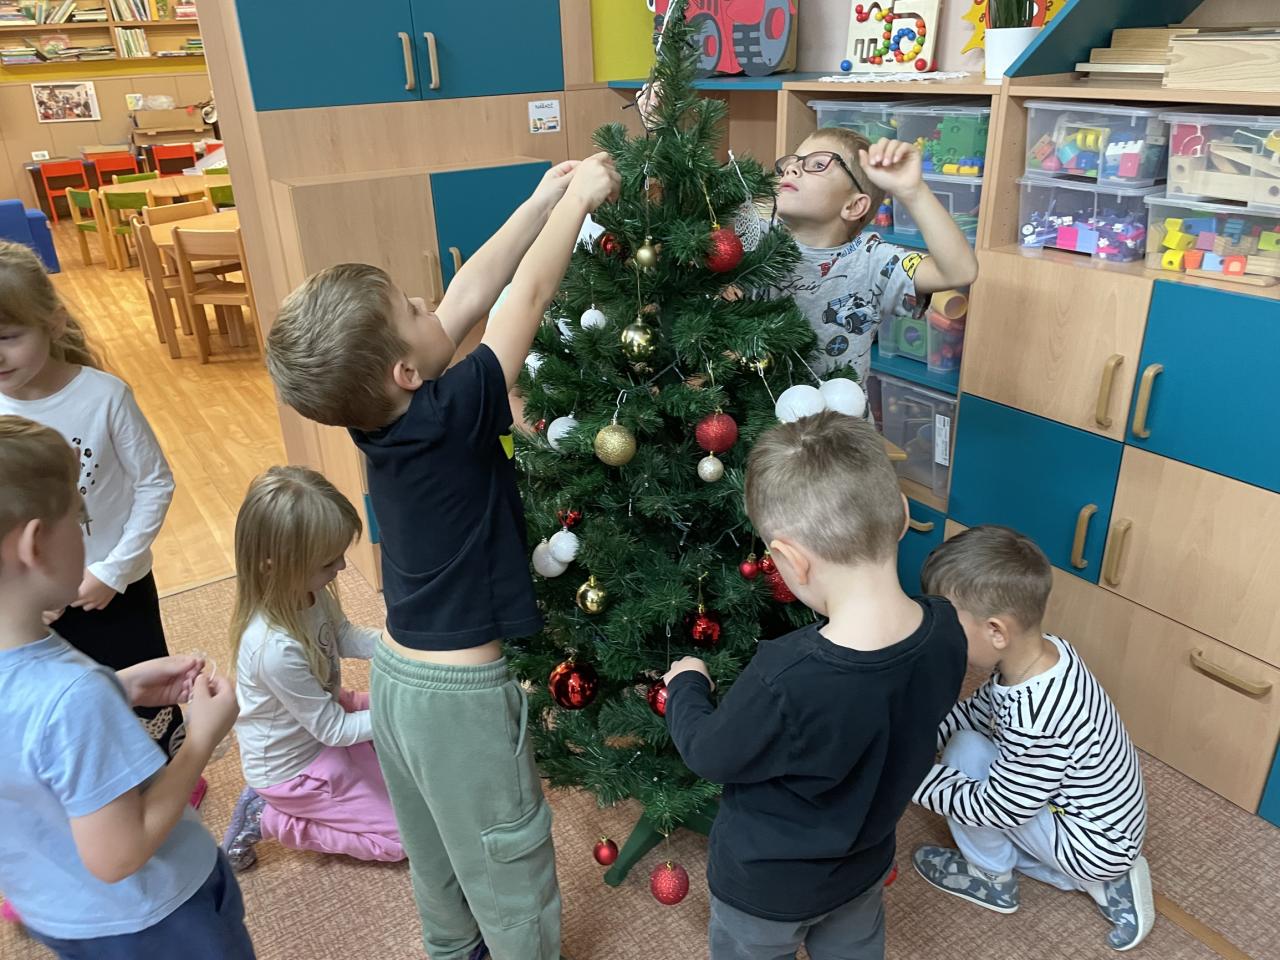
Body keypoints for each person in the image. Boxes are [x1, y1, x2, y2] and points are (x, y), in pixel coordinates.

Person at [264, 153, 620, 960]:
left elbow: (469, 294)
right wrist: (578, 204)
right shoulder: (455, 411)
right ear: (405, 368)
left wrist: (537, 201)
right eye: (411, 306)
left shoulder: (383, 417)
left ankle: (454, 951)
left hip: (397, 680)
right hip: (460, 699)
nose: (432, 301)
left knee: (437, 855)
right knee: (509, 857)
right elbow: (522, 296)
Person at [663, 412, 968, 960]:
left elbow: (710, 753)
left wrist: (687, 685)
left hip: (764, 892)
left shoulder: (785, 675)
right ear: (903, 514)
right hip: (864, 867)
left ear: (789, 560)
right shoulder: (947, 629)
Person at [0, 415, 250, 959]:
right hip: (154, 919)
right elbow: (119, 854)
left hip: (57, 909)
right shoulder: (72, 697)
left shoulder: (55, 686)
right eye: (80, 517)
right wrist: (199, 739)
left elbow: (23, 740)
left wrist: (120, 688)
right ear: (36, 544)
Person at [911, 525, 1153, 952]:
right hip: (1101, 822)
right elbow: (977, 713)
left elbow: (999, 808)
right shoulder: (1044, 656)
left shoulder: (1035, 717)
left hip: (1093, 841)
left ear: (996, 632)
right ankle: (1099, 879)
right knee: (966, 740)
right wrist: (912, 737)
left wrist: (911, 778)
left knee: (964, 758)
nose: (939, 636)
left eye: (949, 625)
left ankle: (992, 878)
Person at [0, 240, 187, 766]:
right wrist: (23, 594)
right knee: (68, 713)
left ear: (54, 324)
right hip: (30, 602)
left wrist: (113, 571)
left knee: (146, 693)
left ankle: (167, 776)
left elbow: (154, 483)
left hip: (116, 588)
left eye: (7, 337)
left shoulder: (105, 396)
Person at [222, 466, 403, 870]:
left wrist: (399, 646)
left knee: (405, 740)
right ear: (274, 564)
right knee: (406, 838)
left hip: (324, 714)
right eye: (328, 562)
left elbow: (343, 635)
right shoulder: (272, 648)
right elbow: (333, 731)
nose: (341, 568)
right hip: (295, 767)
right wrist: (399, 714)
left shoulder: (308, 590)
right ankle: (268, 817)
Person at [769, 127, 979, 382]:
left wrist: (913, 192)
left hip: (838, 407)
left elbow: (960, 271)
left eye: (818, 164)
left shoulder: (871, 260)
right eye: (790, 163)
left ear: (853, 206)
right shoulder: (757, 242)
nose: (791, 169)